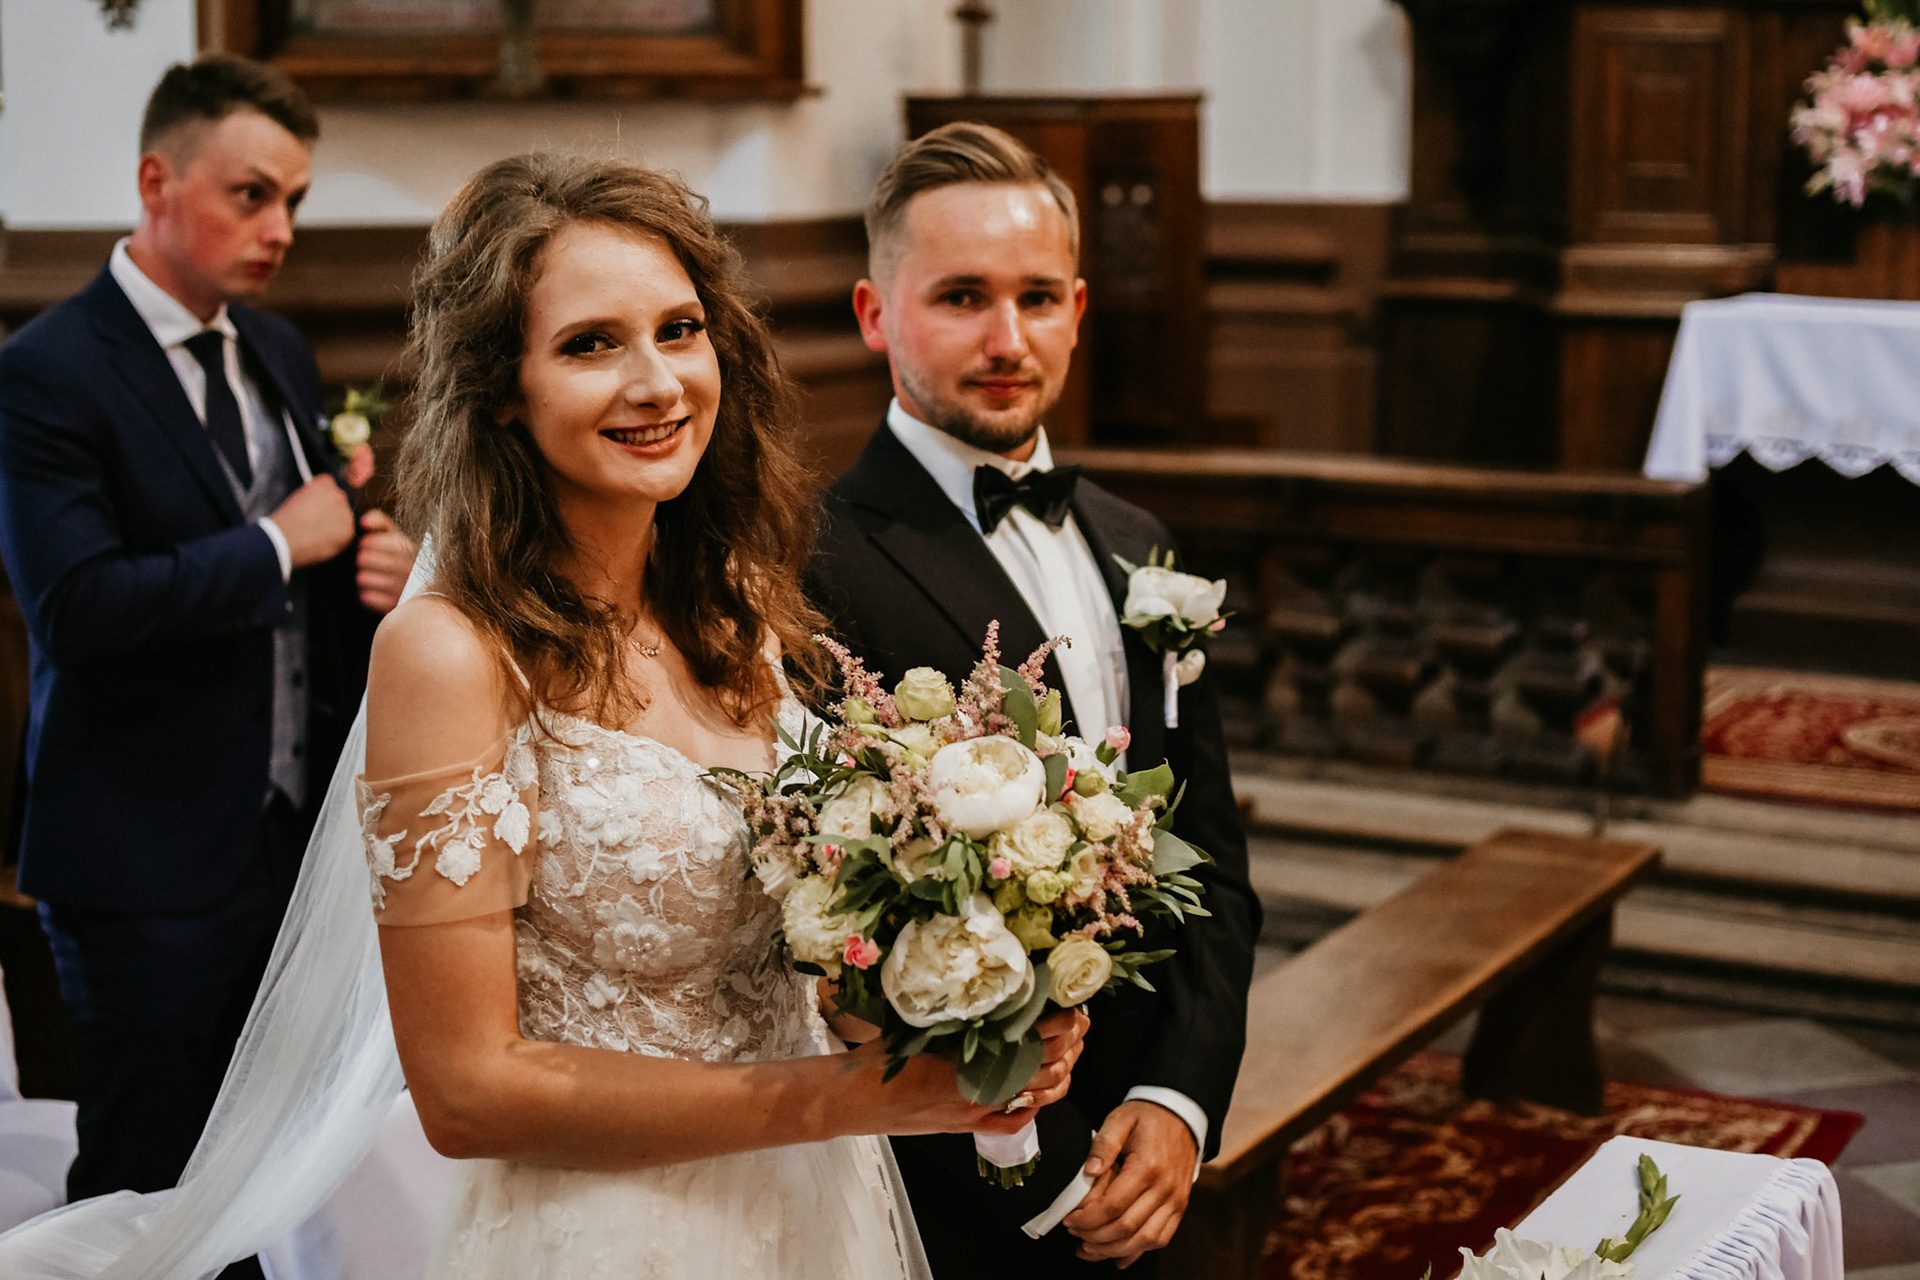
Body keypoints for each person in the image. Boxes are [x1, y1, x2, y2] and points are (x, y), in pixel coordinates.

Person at [355, 152, 1093, 1278]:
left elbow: (799, 961)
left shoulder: (737, 607)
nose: (657, 383)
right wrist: (860, 1094)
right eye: (591, 344)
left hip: (813, 1206)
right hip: (610, 1231)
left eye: (680, 329)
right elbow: (466, 1092)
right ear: (503, 386)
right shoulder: (448, 655)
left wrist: (971, 1008)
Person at [808, 122, 1262, 1276]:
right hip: (959, 1179)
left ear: (1079, 307)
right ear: (874, 313)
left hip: (1149, 1143)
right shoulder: (811, 567)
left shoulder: (1135, 539)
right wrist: (1040, 1155)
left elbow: (1209, 854)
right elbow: (827, 938)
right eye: (962, 297)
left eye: (1039, 298)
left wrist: (1180, 1098)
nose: (1009, 340)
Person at [0, 51, 414, 1234]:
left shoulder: (274, 351)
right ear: (157, 181)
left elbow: (312, 572)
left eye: (294, 199)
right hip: (139, 858)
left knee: (259, 1180)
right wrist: (281, 543)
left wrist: (375, 573)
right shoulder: (44, 374)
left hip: (280, 846)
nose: (280, 227)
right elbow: (76, 607)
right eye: (252, 194)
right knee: (146, 1186)